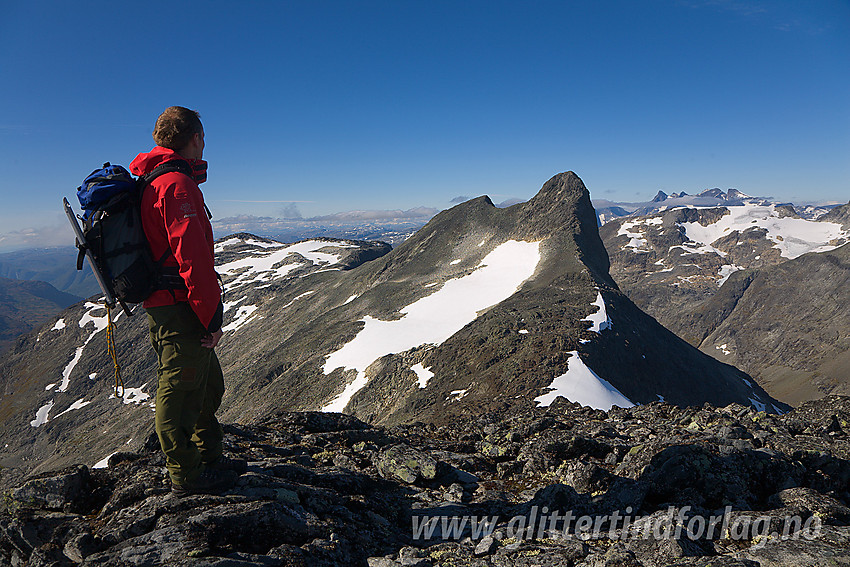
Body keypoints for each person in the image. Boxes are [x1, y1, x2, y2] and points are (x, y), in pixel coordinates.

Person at [130, 106, 245, 496]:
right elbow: (193, 258)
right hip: (179, 304)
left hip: (170, 303)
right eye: (203, 139)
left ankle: (210, 456)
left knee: (207, 386)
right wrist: (211, 317)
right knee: (180, 389)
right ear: (195, 138)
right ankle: (188, 476)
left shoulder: (153, 181)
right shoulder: (177, 185)